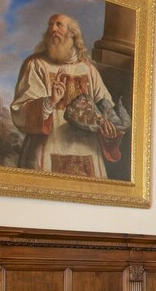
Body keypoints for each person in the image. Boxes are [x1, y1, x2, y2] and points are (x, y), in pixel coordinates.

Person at [11, 13, 123, 178]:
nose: (52, 29)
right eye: (50, 25)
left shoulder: (88, 70)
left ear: (72, 33)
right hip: (47, 147)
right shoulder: (36, 65)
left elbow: (105, 106)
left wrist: (108, 126)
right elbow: (20, 109)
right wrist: (49, 102)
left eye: (58, 24)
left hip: (87, 152)